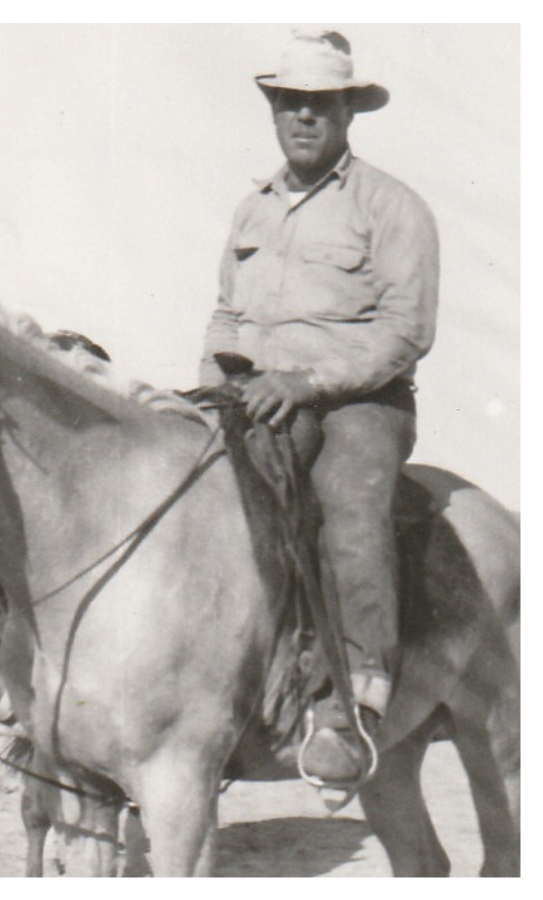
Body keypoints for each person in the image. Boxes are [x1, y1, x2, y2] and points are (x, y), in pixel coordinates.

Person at [199, 29, 438, 787]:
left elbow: (406, 331)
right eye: (291, 103)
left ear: (347, 112)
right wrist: (210, 384)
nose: (304, 116)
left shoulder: (391, 205)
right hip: (254, 394)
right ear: (273, 110)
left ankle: (355, 702)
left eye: (321, 104)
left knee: (349, 511)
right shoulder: (252, 210)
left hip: (357, 403)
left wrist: (306, 384)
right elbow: (226, 314)